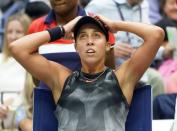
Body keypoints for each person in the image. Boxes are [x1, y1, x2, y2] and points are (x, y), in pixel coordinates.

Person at [9, 15, 164, 130]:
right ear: (76, 46)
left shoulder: (122, 78)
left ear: (108, 45)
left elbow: (156, 34)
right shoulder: (62, 79)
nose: (90, 41)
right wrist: (64, 29)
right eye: (83, 37)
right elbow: (17, 48)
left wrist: (115, 25)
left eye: (96, 35)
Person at [0, 12, 31, 130]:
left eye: (18, 32)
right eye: (9, 32)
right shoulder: (0, 59)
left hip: (22, 124)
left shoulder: (33, 63)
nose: (13, 36)